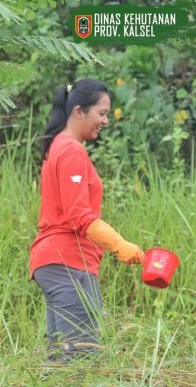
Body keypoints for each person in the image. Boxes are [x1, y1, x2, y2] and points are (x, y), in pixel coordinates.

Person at [30, 79, 145, 362]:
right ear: (79, 111)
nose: (105, 120)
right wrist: (120, 245)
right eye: (101, 113)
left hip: (54, 264)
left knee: (61, 363)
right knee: (81, 362)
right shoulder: (71, 150)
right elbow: (79, 216)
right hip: (68, 264)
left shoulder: (57, 146)